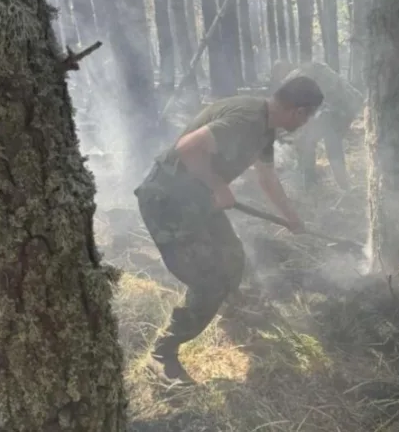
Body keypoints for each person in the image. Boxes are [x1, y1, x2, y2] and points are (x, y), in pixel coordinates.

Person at [134, 76, 324, 383]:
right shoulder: (247, 120)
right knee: (209, 282)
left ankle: (227, 314)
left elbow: (266, 177)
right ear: (299, 112)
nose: (307, 123)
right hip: (168, 201)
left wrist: (292, 219)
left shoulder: (264, 127)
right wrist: (218, 185)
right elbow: (188, 148)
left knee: (233, 258)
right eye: (309, 116)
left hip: (198, 201)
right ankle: (162, 353)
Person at [269, 60, 364, 191]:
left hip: (333, 109)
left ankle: (314, 184)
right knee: (323, 141)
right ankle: (332, 184)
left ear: (281, 72)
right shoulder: (309, 68)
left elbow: (300, 110)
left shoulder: (293, 79)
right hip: (350, 104)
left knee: (314, 141)